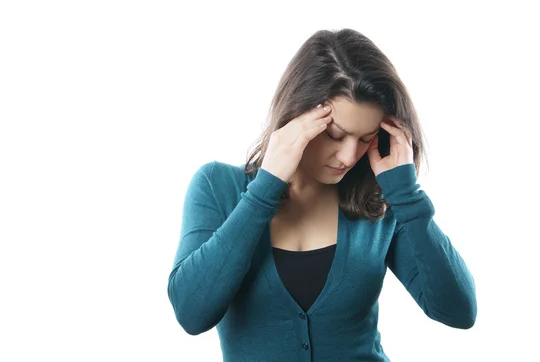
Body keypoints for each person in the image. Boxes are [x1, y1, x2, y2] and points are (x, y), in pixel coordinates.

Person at [167, 28, 477, 361]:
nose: (348, 156)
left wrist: (407, 196)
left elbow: (458, 311)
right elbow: (192, 312)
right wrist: (264, 189)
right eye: (334, 134)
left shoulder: (379, 204)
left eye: (365, 138)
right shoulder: (218, 187)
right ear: (297, 116)